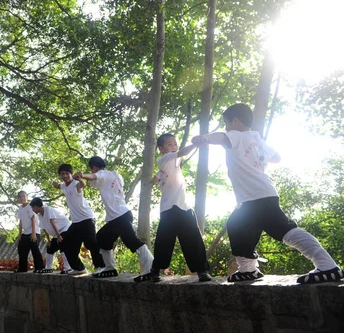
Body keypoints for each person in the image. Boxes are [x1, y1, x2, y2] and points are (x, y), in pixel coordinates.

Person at [192, 103, 344, 284]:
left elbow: (222, 137)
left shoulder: (236, 136)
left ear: (236, 121)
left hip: (257, 196)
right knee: (236, 225)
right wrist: (259, 154)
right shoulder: (257, 140)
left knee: (285, 230)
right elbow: (277, 157)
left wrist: (204, 138)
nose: (226, 128)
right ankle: (248, 269)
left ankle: (328, 266)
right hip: (257, 196)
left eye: (226, 123)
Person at [135, 134, 211, 283]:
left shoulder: (171, 163)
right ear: (161, 149)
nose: (174, 146)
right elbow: (182, 152)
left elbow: (160, 175)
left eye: (175, 144)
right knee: (164, 241)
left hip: (184, 207)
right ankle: (155, 270)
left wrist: (154, 180)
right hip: (168, 209)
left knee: (193, 239)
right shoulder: (164, 158)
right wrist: (195, 144)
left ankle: (202, 271)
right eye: (170, 144)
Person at [75, 157, 153, 279]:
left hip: (120, 216)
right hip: (117, 217)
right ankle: (110, 267)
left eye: (92, 169)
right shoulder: (116, 176)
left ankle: (151, 268)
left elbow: (94, 177)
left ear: (94, 167)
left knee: (131, 240)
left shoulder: (103, 173)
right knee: (102, 238)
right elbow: (96, 183)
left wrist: (82, 176)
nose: (93, 171)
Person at [53, 163, 105, 275]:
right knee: (66, 243)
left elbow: (83, 185)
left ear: (71, 174)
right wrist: (56, 185)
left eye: (67, 173)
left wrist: (81, 179)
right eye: (63, 174)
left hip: (87, 219)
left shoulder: (76, 183)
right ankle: (79, 268)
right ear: (60, 175)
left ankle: (101, 266)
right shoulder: (64, 186)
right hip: (76, 222)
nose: (65, 176)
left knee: (91, 243)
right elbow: (59, 186)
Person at [29, 197, 73, 274]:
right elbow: (44, 229)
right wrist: (49, 240)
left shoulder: (48, 210)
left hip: (64, 228)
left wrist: (59, 235)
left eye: (32, 208)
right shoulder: (40, 216)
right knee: (50, 248)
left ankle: (68, 268)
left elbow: (53, 223)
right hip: (57, 233)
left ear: (36, 206)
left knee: (62, 245)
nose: (32, 210)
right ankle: (48, 267)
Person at [16, 190, 45, 273]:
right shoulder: (20, 209)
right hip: (25, 233)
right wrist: (20, 234)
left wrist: (33, 233)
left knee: (35, 250)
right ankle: (22, 268)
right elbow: (20, 221)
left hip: (34, 231)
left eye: (24, 196)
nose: (22, 198)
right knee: (21, 249)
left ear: (27, 197)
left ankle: (40, 268)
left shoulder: (30, 207)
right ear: (18, 198)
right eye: (20, 197)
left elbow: (33, 219)